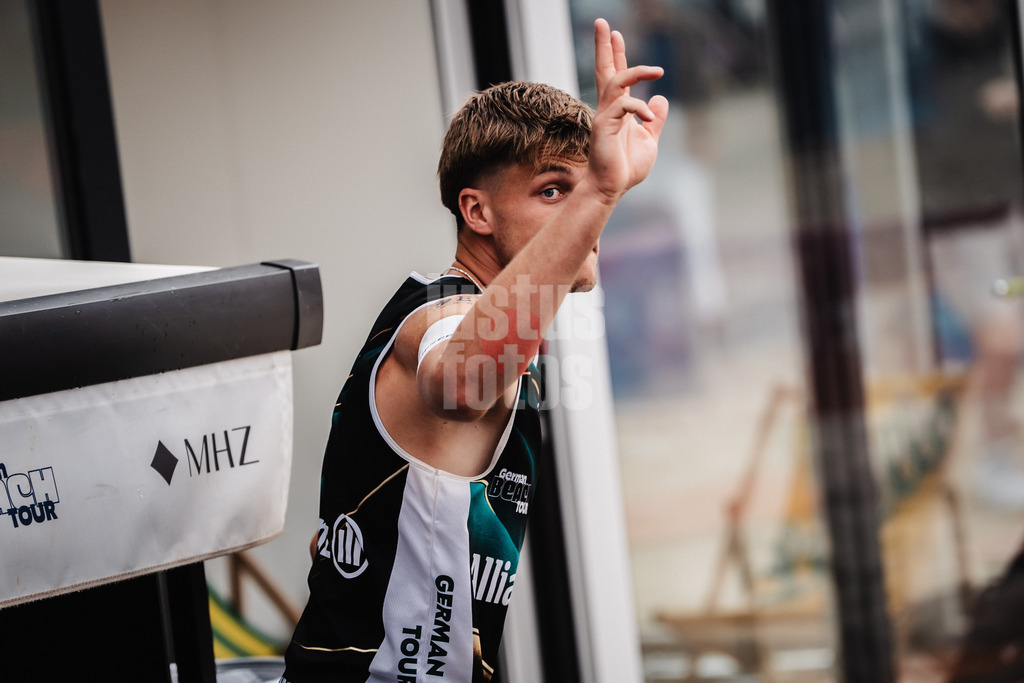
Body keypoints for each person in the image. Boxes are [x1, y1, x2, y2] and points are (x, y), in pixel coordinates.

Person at [280, 18, 668, 683]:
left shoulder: (484, 318)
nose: (586, 219)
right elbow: (462, 380)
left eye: (589, 191)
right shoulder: (441, 315)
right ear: (477, 212)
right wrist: (600, 189)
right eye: (554, 191)